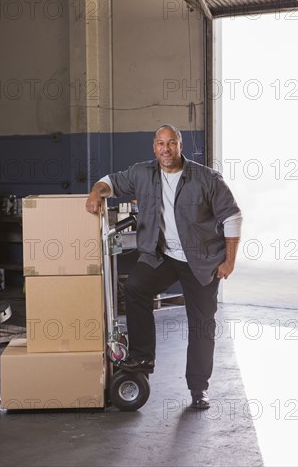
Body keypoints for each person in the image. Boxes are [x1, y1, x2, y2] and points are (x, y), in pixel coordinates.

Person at [86, 124, 242, 409]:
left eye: (171, 143)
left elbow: (232, 216)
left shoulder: (206, 178)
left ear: (180, 145)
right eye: (160, 143)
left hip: (200, 260)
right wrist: (97, 192)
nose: (166, 149)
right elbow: (110, 180)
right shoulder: (143, 172)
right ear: (154, 147)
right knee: (135, 287)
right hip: (162, 256)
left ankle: (198, 389)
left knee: (202, 323)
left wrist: (229, 260)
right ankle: (143, 355)